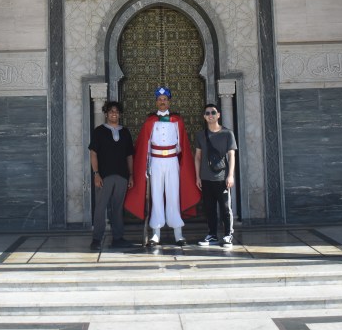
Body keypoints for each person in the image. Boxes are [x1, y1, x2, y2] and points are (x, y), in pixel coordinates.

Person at [124, 86, 201, 246]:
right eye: (159, 100)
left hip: (172, 161)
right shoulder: (150, 121)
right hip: (156, 162)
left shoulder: (177, 121)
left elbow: (182, 145)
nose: (162, 102)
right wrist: (146, 167)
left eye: (165, 99)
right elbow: (145, 145)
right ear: (156, 102)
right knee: (156, 196)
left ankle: (178, 234)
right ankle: (155, 234)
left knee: (174, 195)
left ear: (169, 101)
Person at [88, 101, 135, 250]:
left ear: (119, 114)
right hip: (104, 176)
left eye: (116, 111)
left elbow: (129, 156)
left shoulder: (125, 132)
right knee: (100, 207)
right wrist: (96, 174)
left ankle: (118, 238)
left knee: (118, 208)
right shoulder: (99, 131)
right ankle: (97, 239)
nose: (114, 114)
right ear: (106, 114)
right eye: (111, 111)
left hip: (122, 176)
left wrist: (131, 175)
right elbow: (93, 153)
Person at [193, 103, 237, 248]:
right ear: (204, 117)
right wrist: (198, 177)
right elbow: (197, 157)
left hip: (222, 177)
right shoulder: (201, 135)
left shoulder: (227, 133)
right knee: (209, 208)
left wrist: (230, 175)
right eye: (207, 113)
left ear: (218, 115)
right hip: (206, 178)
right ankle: (212, 234)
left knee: (225, 208)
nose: (210, 115)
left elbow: (231, 155)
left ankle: (228, 235)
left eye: (213, 112)